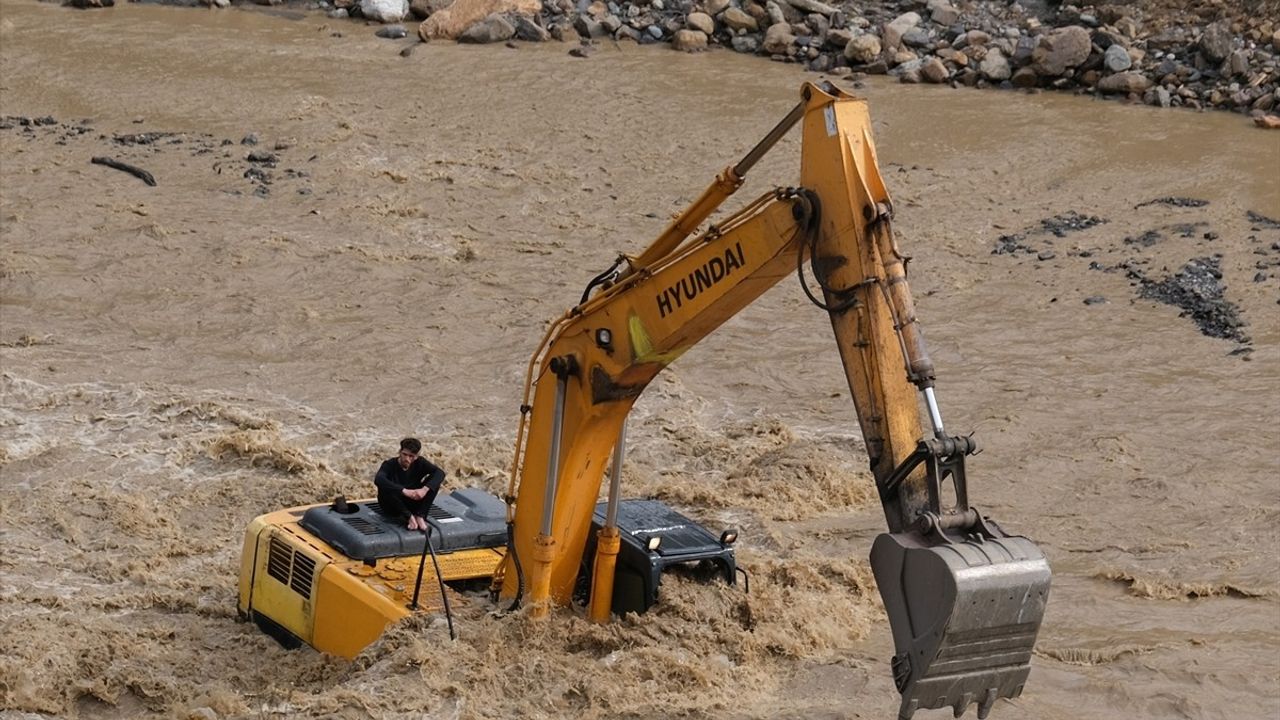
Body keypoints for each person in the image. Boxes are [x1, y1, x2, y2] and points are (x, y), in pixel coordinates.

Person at [374, 437, 445, 532]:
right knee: (386, 487)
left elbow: (440, 472)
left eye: (411, 456)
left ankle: (420, 515)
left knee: (433, 483)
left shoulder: (420, 462)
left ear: (416, 456)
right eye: (404, 454)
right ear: (400, 452)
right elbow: (379, 479)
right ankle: (409, 517)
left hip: (412, 502)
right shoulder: (389, 464)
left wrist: (424, 489)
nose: (407, 459)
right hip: (393, 505)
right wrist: (404, 491)